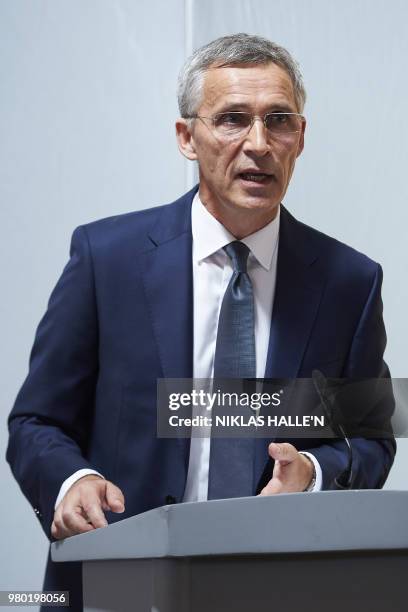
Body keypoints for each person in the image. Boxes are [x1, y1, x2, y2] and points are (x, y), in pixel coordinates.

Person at [7, 33, 395, 611]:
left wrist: (311, 471)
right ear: (188, 138)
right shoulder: (105, 259)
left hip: (284, 589)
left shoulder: (348, 282)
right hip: (122, 586)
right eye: (233, 119)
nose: (259, 144)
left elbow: (370, 438)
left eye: (279, 120)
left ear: (301, 137)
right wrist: (71, 482)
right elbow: (37, 420)